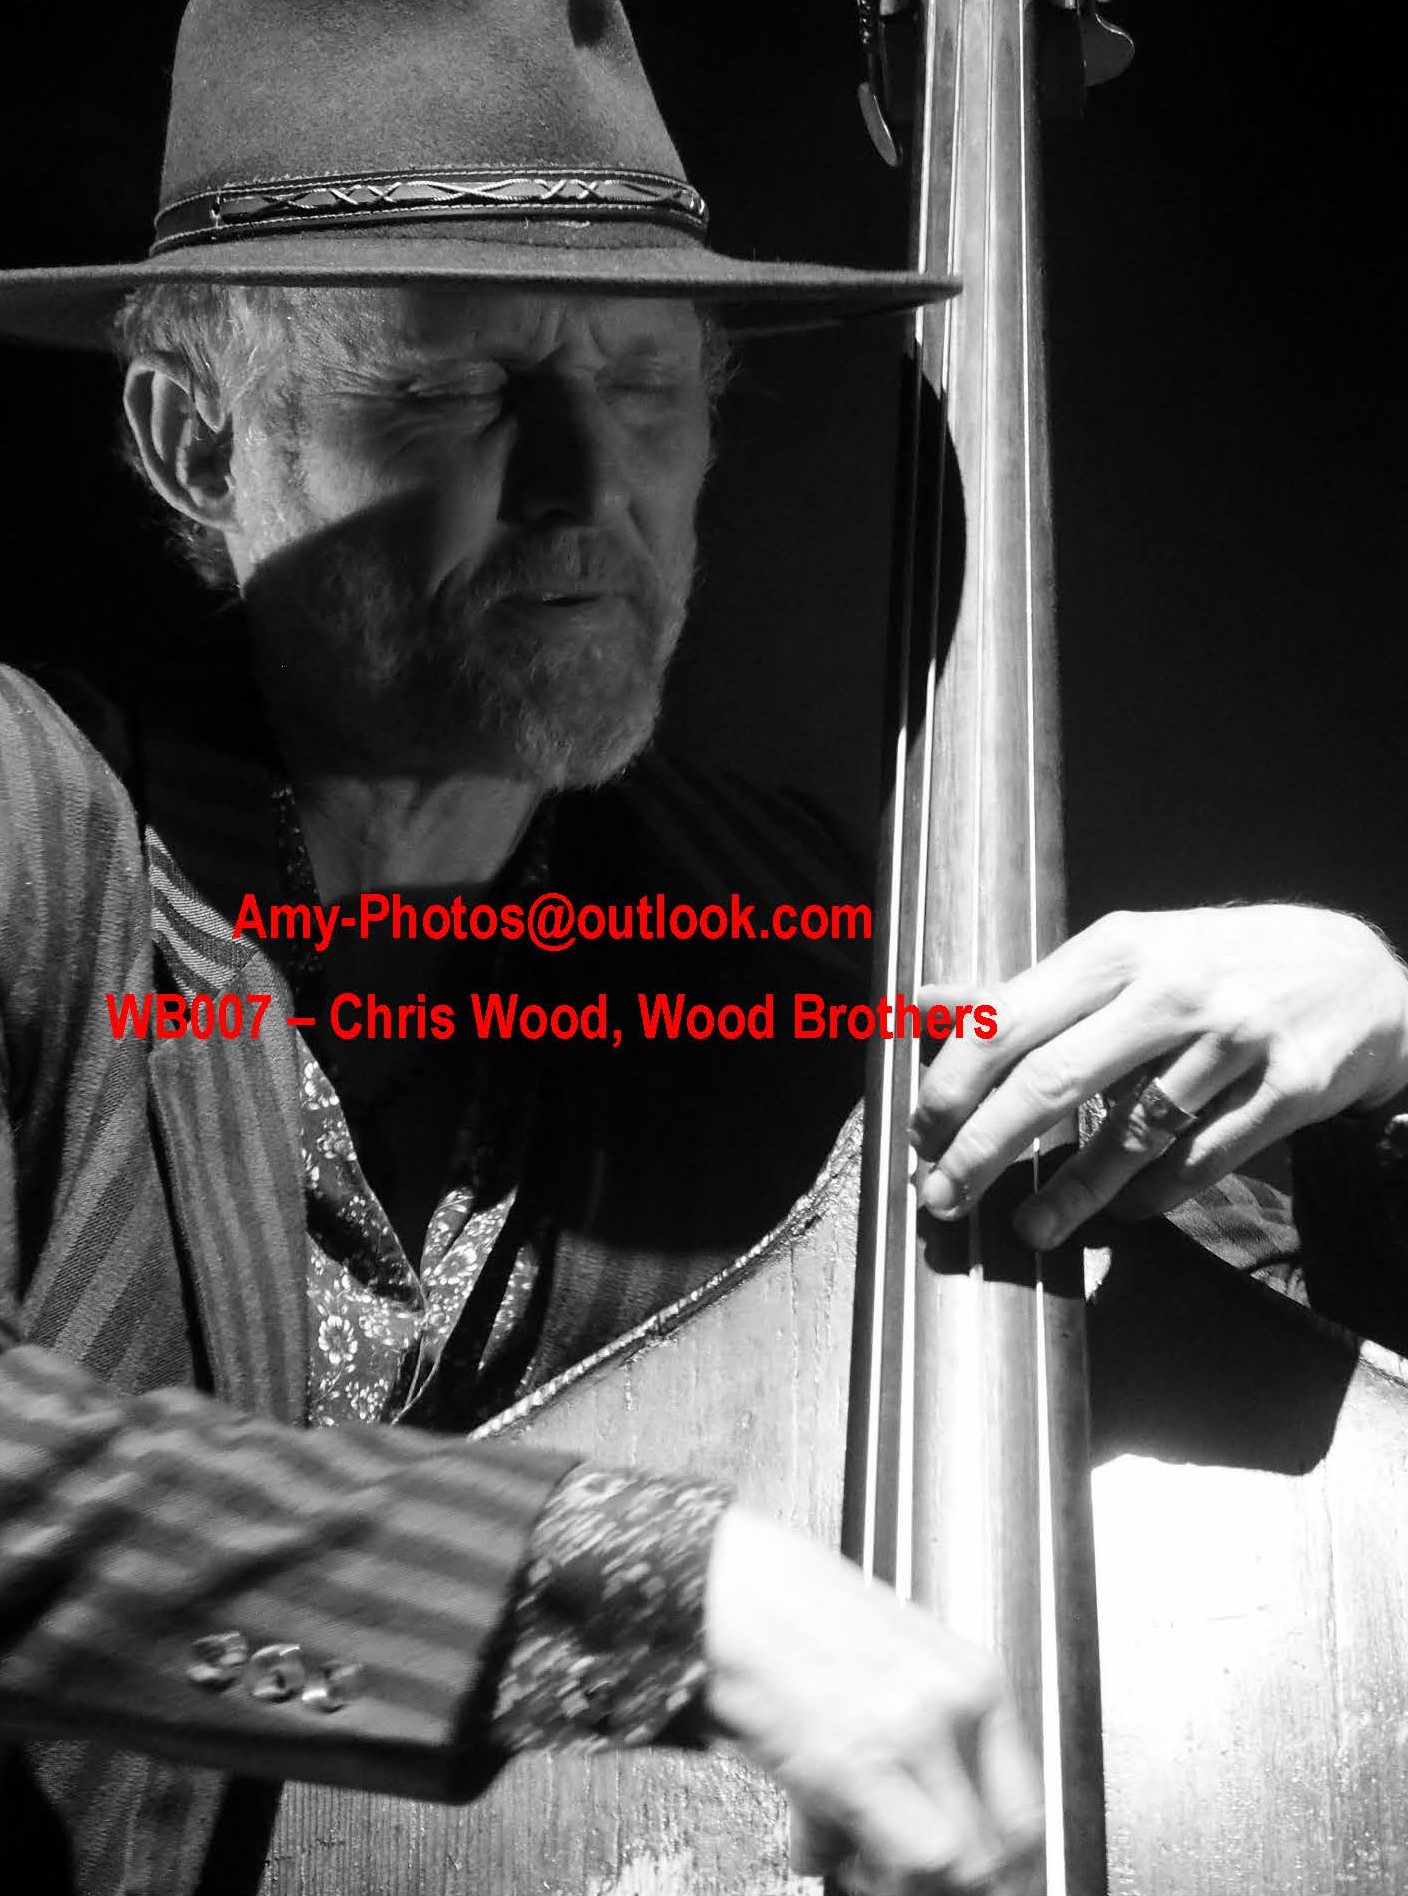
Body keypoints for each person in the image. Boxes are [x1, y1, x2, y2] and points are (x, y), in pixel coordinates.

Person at [1, 4, 1407, 1895]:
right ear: (194, 440)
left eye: (647, 383)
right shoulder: (31, 826)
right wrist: (639, 1597)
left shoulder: (769, 932)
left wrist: (1366, 1052)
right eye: (460, 388)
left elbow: (1225, 1252)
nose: (591, 488)